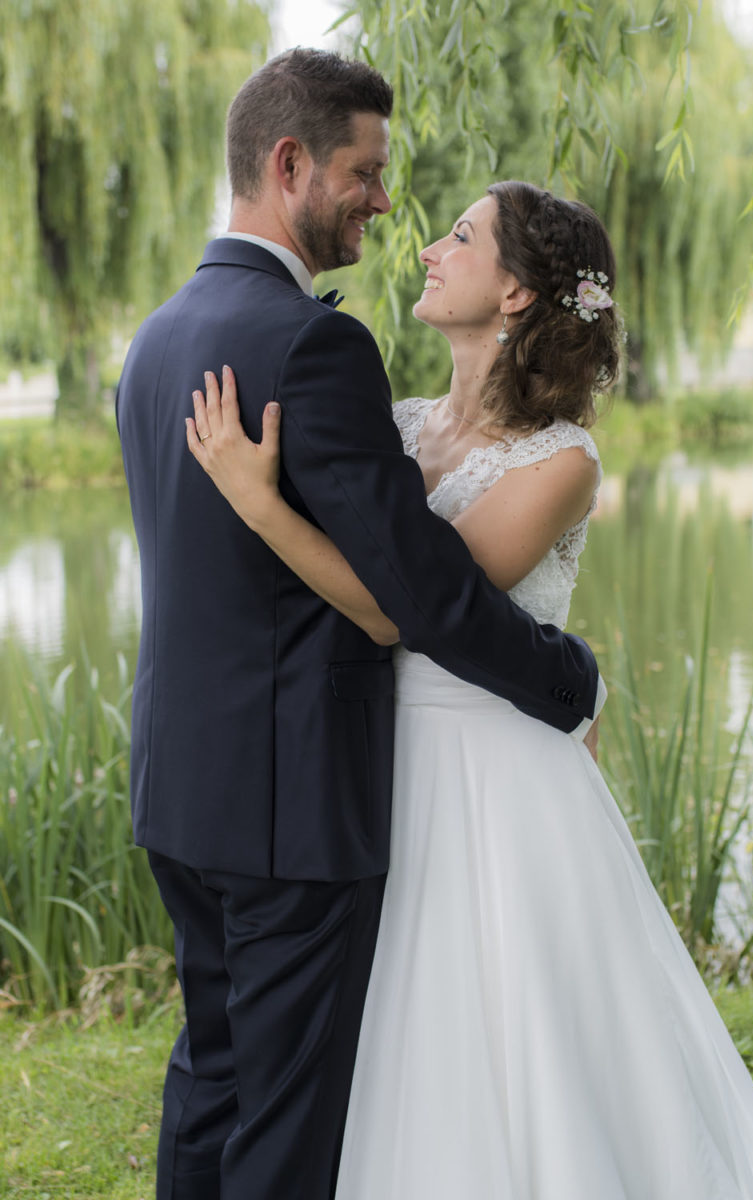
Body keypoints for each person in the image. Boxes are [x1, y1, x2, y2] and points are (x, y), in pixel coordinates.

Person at [188, 179, 753, 1197]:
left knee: (516, 1022)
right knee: (404, 1021)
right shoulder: (393, 421)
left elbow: (415, 608)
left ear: (514, 293)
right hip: (381, 760)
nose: (429, 246)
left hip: (498, 773)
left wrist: (260, 504)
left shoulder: (560, 462)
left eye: (460, 236)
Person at [116, 50, 602, 1200]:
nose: (387, 204)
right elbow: (421, 598)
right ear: (290, 165)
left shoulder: (159, 336)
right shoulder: (312, 345)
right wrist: (566, 675)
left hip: (185, 781)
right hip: (290, 804)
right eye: (366, 172)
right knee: (284, 1124)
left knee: (212, 1081)